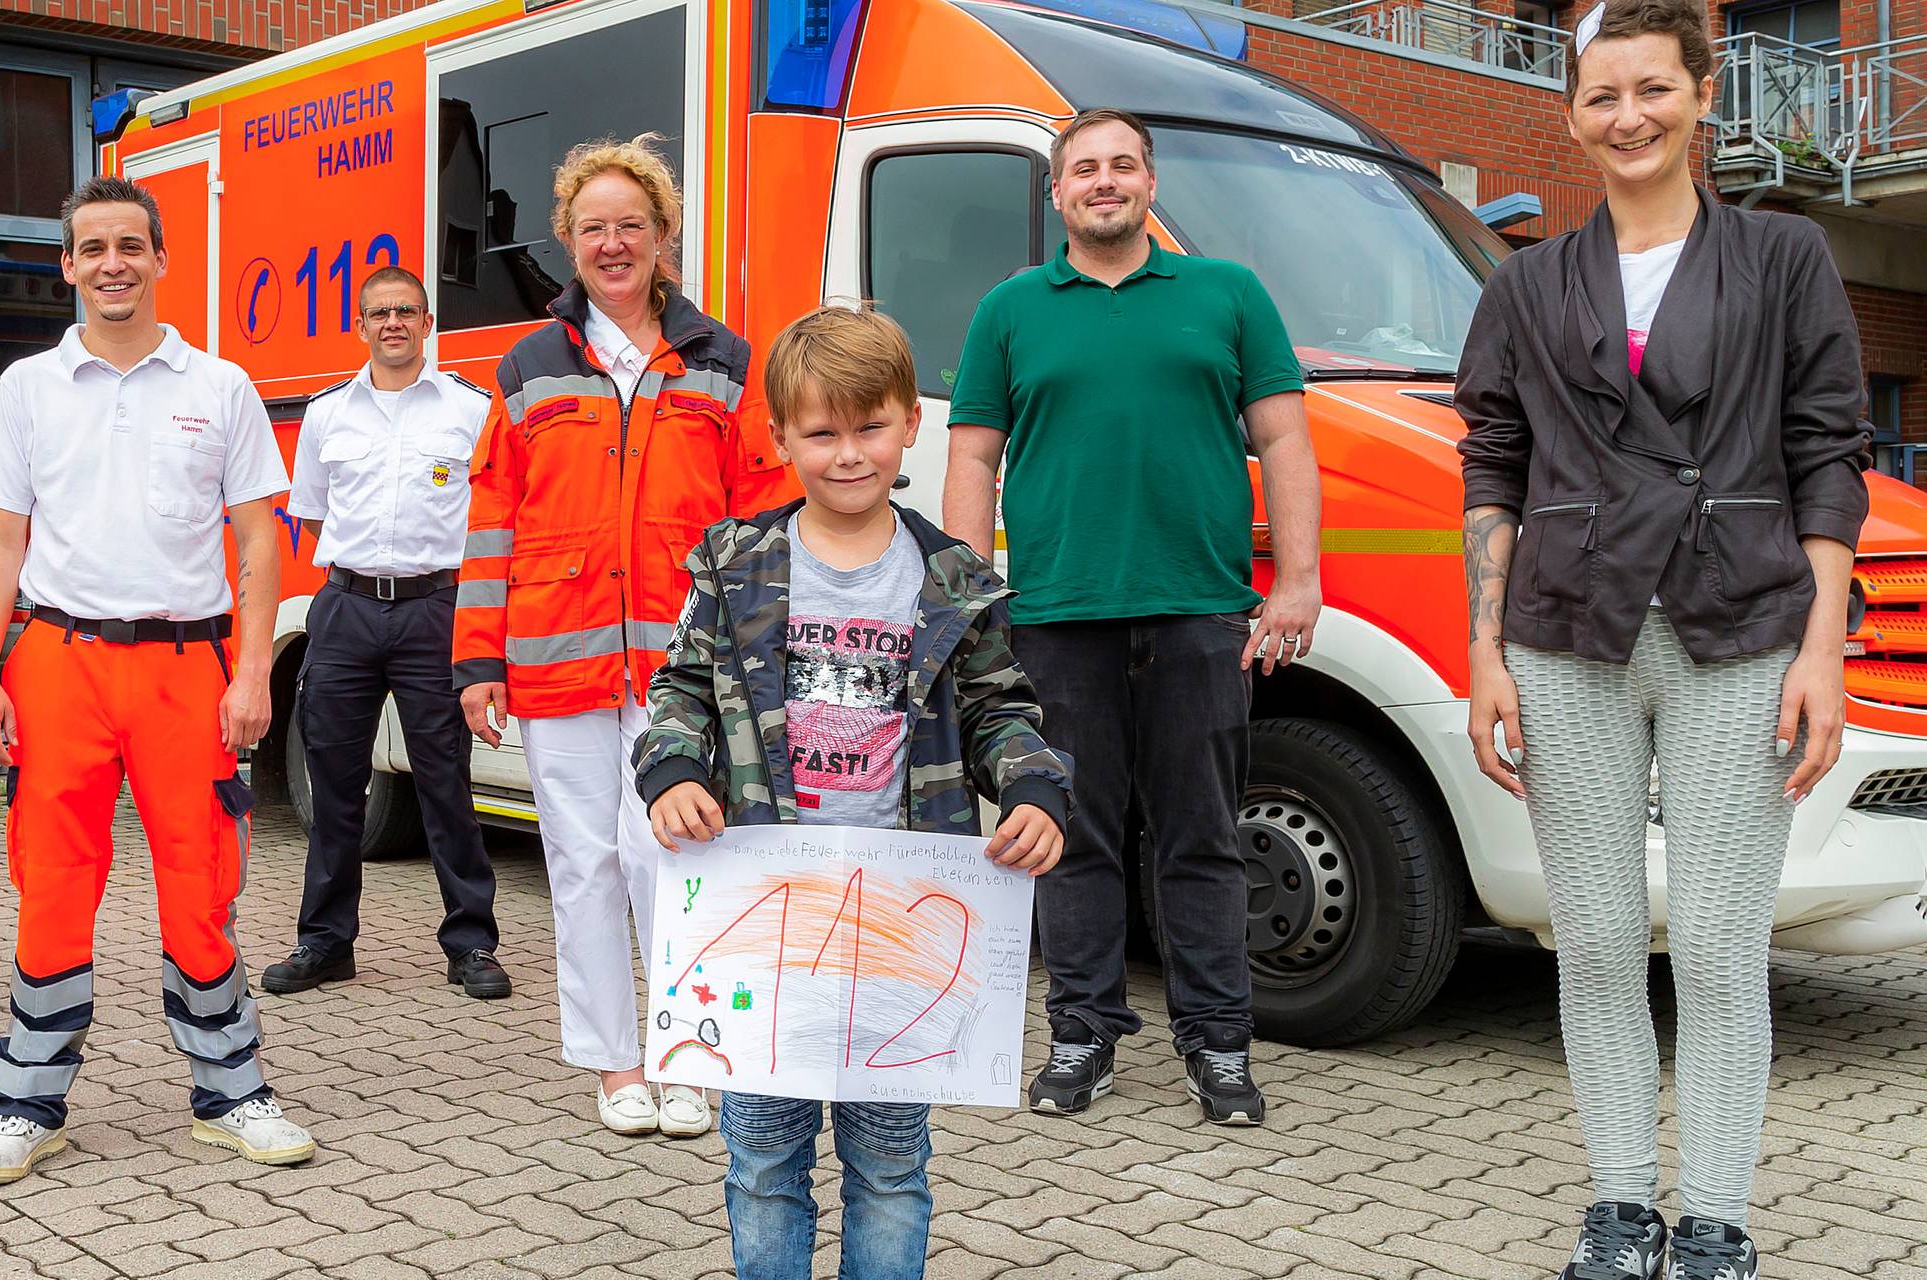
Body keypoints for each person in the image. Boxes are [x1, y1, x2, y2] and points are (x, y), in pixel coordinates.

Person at [1455, 4, 1868, 1276]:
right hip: (1566, 632)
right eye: (1600, 96)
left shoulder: (1783, 257)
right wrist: (1484, 650)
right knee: (1587, 933)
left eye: (1651, 89)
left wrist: (1822, 645)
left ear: (1699, 95)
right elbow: (1493, 465)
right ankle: (1622, 1206)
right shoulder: (1526, 280)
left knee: (1721, 936)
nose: (1626, 117)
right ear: (1571, 116)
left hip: (1737, 625)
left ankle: (1719, 1220)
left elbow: (1826, 448)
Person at [636, 304, 1071, 1280]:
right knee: (761, 1159)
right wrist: (668, 770)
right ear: (781, 436)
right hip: (765, 915)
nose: (846, 454)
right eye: (820, 432)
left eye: (867, 427)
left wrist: (1036, 789)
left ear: (908, 422)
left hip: (900, 923)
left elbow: (1003, 709)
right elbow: (682, 690)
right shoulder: (735, 563)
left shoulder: (954, 576)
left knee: (888, 1162)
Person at [941, 107, 1320, 1128]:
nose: (1102, 182)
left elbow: (1284, 440)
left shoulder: (1227, 294)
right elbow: (972, 455)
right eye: (1083, 170)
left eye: (1121, 166)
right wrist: (974, 599)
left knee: (1200, 836)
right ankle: (1081, 1035)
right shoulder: (1011, 309)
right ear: (1057, 193)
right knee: (1069, 835)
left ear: (1149, 184)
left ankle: (1220, 1045)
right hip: (1057, 616)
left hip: (1201, 610)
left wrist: (1297, 579)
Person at [0, 176, 314, 1183]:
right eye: (91, 247)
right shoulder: (28, 387)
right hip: (58, 662)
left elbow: (256, 544)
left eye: (130, 245)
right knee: (52, 886)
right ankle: (27, 1100)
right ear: (65, 265)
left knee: (202, 883)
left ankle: (229, 1089)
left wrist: (251, 673)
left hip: (186, 669)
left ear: (160, 259)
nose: (112, 262)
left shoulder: (219, 386)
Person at [454, 134, 795, 1139]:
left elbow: (763, 514)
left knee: (674, 854)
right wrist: (477, 656)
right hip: (556, 655)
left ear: (662, 236)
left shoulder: (723, 358)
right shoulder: (528, 362)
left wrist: (760, 649)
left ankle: (688, 1048)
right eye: (592, 226)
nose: (612, 243)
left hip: (682, 663)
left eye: (630, 226)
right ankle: (615, 1060)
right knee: (582, 861)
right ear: (566, 239)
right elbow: (489, 518)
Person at [262, 265, 508, 1001]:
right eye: (378, 313)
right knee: (335, 784)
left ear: (427, 324)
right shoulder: (329, 411)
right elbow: (310, 513)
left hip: (436, 607)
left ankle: (471, 945)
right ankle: (325, 943)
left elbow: (491, 516)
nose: (392, 322)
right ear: (361, 327)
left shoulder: (469, 409)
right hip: (345, 607)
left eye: (406, 310)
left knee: (444, 782)